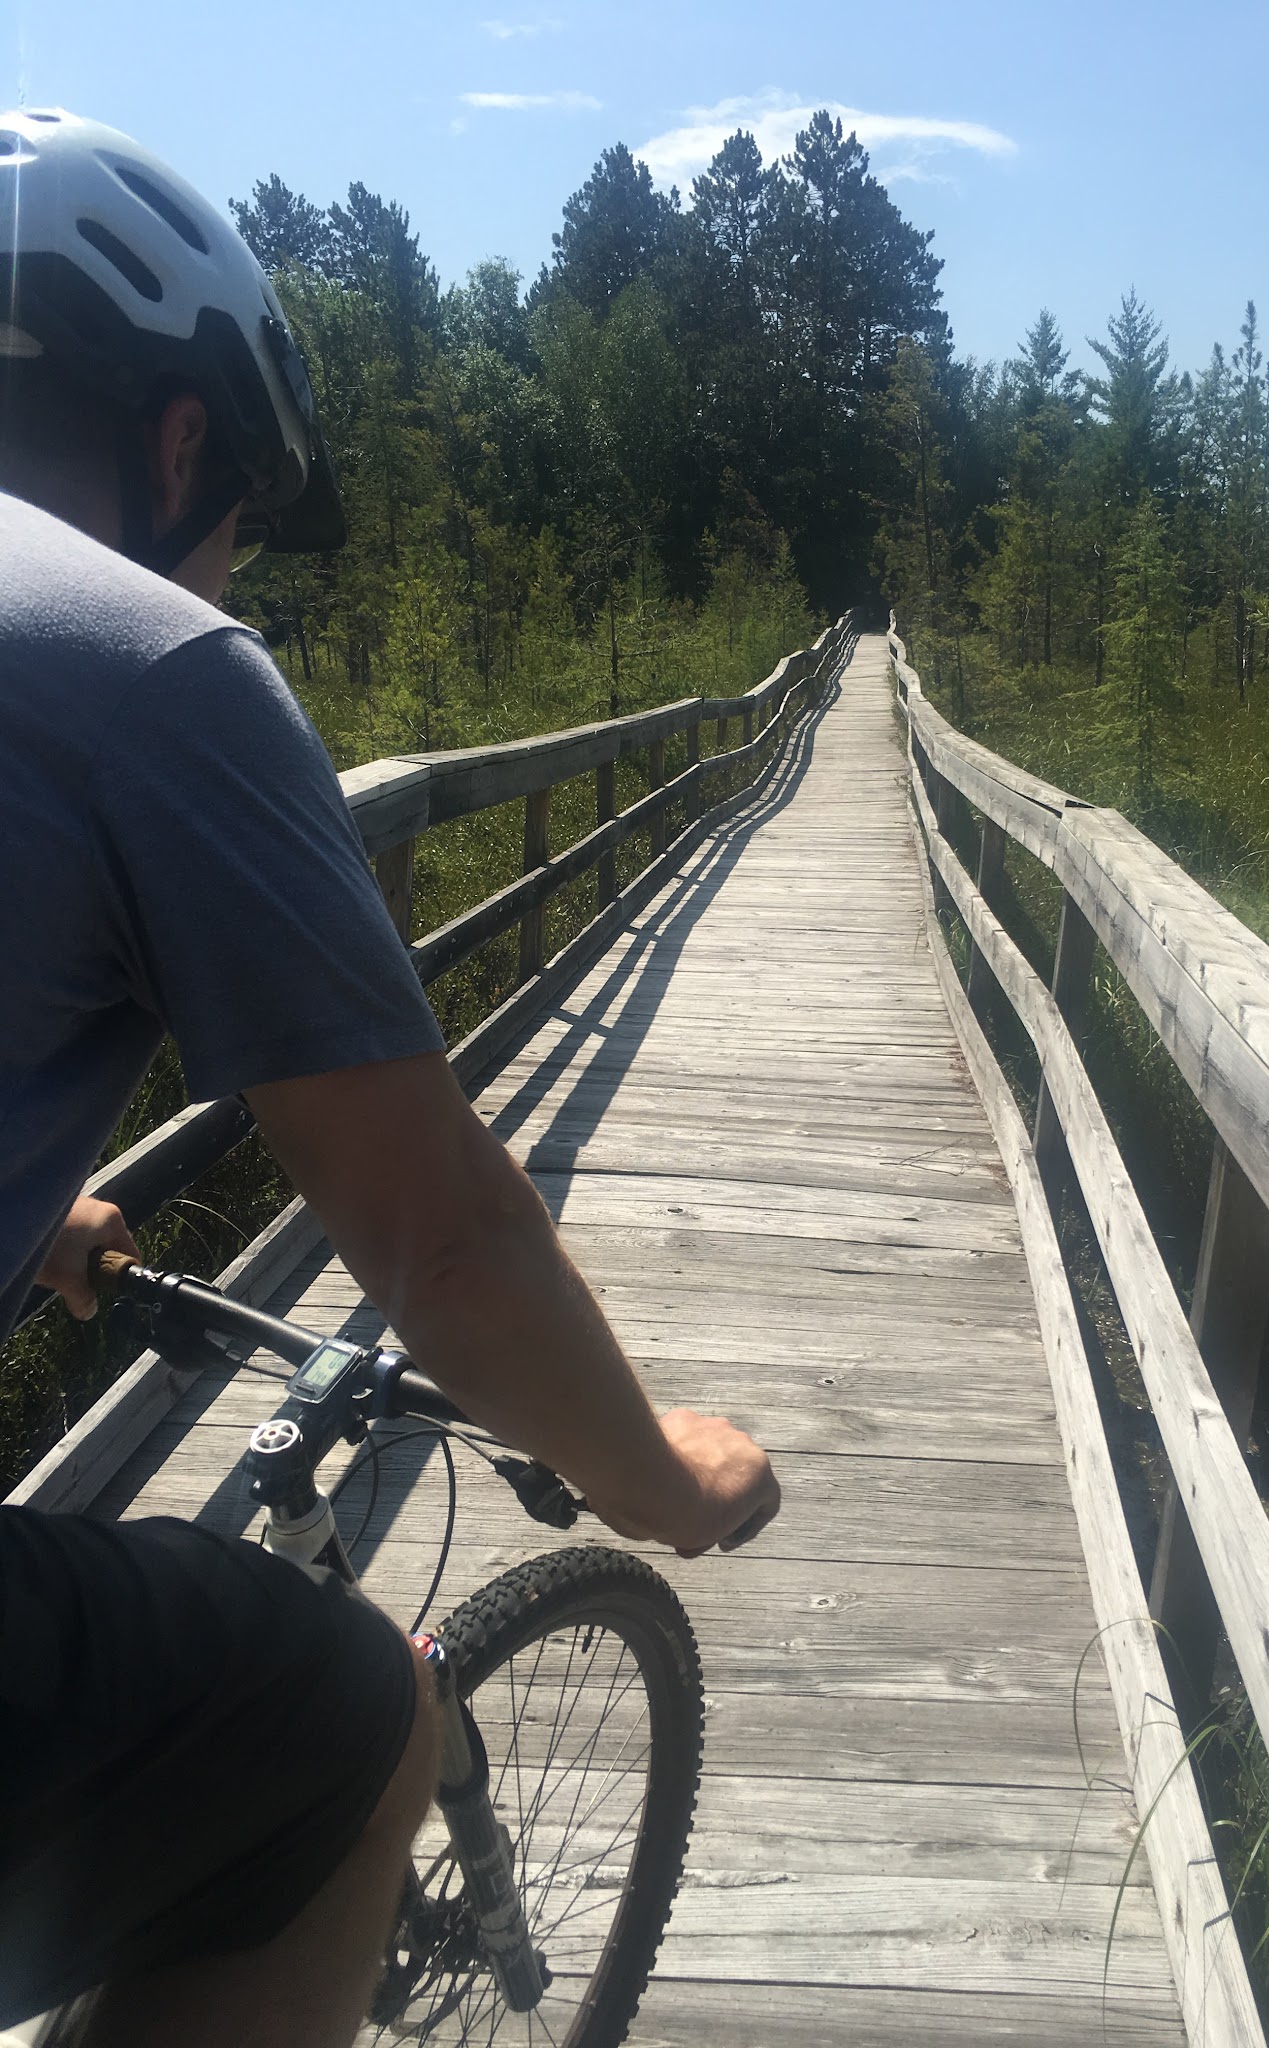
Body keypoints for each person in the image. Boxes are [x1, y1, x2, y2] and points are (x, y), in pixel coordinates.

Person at [0, 108, 779, 2046]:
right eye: (247, 516)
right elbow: (444, 1242)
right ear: (179, 438)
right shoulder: (152, 664)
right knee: (359, 1727)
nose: (232, 570)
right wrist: (658, 1478)